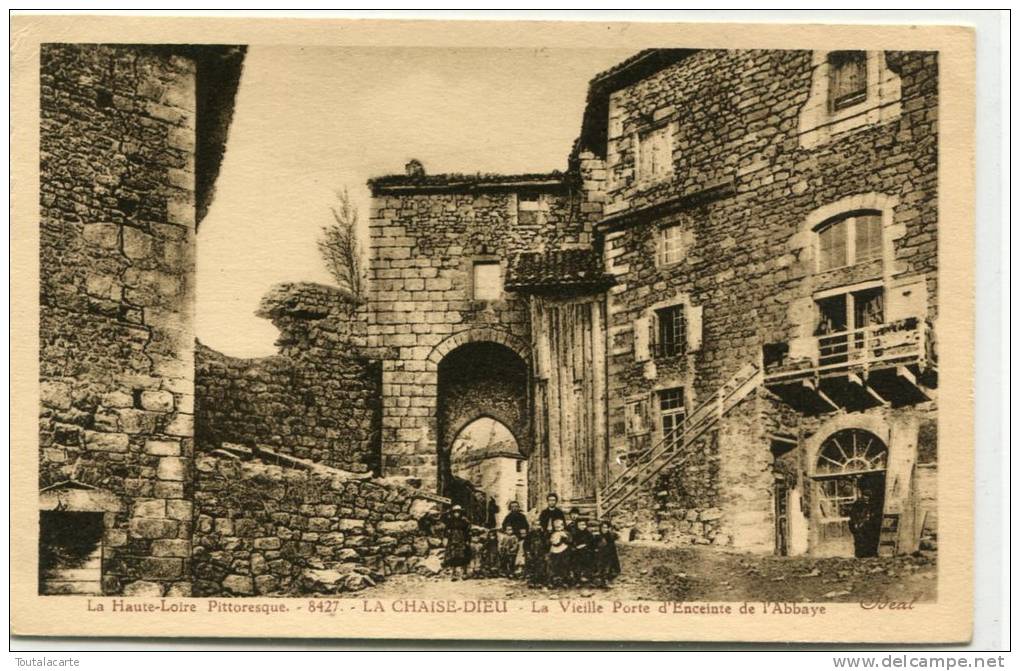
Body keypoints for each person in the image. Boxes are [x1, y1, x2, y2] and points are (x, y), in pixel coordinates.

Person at [849, 477, 883, 558]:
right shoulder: (857, 504)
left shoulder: (872, 504)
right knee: (860, 540)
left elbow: (875, 514)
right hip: (859, 525)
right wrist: (856, 523)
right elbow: (853, 515)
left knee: (870, 539)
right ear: (862, 495)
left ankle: (870, 553)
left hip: (870, 526)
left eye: (868, 496)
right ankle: (860, 554)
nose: (866, 498)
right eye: (865, 496)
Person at [443, 505, 472, 581]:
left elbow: (467, 532)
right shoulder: (450, 522)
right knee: (452, 556)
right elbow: (446, 531)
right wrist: (445, 539)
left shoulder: (464, 522)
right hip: (452, 540)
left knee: (464, 556)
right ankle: (454, 574)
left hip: (461, 540)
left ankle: (464, 573)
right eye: (455, 512)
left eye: (458, 512)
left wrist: (467, 540)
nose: (457, 514)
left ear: (461, 513)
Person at [593, 520, 621, 587]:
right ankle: (599, 579)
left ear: (608, 528)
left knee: (608, 565)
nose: (604, 529)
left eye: (606, 528)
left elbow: (613, 547)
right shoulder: (597, 536)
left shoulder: (611, 536)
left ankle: (605, 579)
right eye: (603, 527)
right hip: (599, 555)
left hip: (609, 555)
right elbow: (594, 546)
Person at [547, 518, 573, 587]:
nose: (557, 528)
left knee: (564, 565)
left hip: (564, 550)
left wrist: (564, 537)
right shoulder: (553, 533)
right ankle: (553, 581)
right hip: (554, 550)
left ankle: (564, 581)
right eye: (556, 527)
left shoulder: (566, 533)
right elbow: (551, 541)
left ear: (562, 526)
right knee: (553, 565)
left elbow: (570, 540)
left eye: (559, 527)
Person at [571, 518, 595, 584]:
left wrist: (585, 545)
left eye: (584, 525)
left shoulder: (588, 533)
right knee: (576, 559)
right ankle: (577, 577)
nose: (582, 526)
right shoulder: (574, 533)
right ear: (577, 525)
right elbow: (572, 543)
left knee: (588, 558)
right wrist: (576, 547)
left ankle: (587, 576)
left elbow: (591, 542)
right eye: (580, 525)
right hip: (577, 551)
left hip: (587, 551)